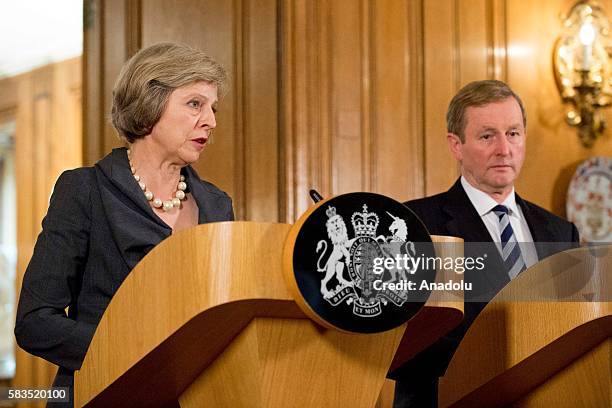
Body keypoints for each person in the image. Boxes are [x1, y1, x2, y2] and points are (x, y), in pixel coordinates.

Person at [14, 42, 234, 407]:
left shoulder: (217, 203)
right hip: (100, 393)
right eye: (195, 104)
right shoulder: (84, 190)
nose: (211, 120)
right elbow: (36, 322)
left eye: (213, 107)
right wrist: (136, 352)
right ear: (150, 105)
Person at [392, 80, 579, 407]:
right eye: (487, 135)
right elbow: (402, 342)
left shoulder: (560, 232)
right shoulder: (414, 224)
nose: (504, 149)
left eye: (513, 133)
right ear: (456, 145)